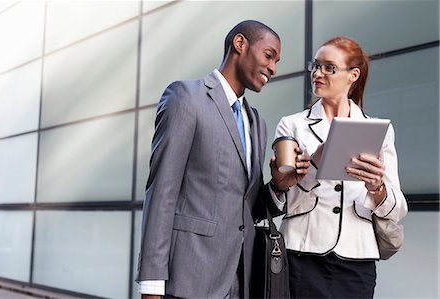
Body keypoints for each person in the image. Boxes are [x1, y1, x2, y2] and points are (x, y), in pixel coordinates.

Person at [135, 20, 281, 299]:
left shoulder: (257, 123)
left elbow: (245, 208)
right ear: (240, 44)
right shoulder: (186, 98)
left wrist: (279, 186)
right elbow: (162, 192)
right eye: (269, 55)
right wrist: (152, 283)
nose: (273, 68)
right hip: (190, 279)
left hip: (240, 281)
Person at [269, 36, 408, 298]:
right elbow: (283, 199)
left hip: (357, 259)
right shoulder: (292, 126)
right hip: (303, 254)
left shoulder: (380, 130)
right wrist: (316, 163)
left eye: (329, 67)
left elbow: (398, 208)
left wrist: (376, 189)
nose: (317, 73)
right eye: (315, 65)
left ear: (353, 75)